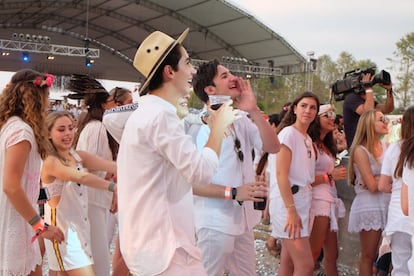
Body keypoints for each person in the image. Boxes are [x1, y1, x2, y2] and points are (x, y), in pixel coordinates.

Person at [117, 28, 238, 275]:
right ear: (169, 72)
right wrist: (218, 127)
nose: (193, 71)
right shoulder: (160, 116)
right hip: (166, 246)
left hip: (155, 242)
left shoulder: (148, 112)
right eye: (188, 62)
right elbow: (200, 171)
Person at [191, 59, 280, 275]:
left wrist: (254, 110)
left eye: (230, 73)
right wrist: (234, 192)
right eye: (224, 76)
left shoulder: (240, 119)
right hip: (213, 223)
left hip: (243, 222)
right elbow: (192, 183)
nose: (233, 78)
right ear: (210, 90)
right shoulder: (198, 127)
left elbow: (273, 146)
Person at [0, 69, 64, 276]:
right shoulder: (21, 132)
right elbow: (11, 185)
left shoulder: (9, 126)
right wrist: (41, 226)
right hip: (15, 222)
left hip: (18, 218)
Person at [41, 111, 117, 274]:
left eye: (71, 128)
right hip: (62, 232)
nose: (68, 133)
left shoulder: (78, 156)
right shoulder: (51, 161)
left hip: (80, 230)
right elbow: (81, 177)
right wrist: (112, 187)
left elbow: (111, 165)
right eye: (61, 130)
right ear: (48, 133)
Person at [68, 74, 118, 276]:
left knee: (96, 252)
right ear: (105, 105)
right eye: (114, 103)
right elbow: (89, 166)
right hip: (91, 199)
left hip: (92, 198)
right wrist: (111, 186)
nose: (116, 107)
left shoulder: (93, 127)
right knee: (98, 255)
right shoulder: (97, 128)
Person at [269, 91, 320, 275]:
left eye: (313, 107)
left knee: (288, 262)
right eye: (304, 105)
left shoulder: (306, 138)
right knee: (305, 265)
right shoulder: (288, 134)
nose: (308, 110)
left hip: (302, 202)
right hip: (289, 203)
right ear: (295, 109)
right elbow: (281, 174)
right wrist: (291, 210)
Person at [347, 109, 390, 276]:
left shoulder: (388, 147)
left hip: (387, 202)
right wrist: (380, 181)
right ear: (369, 125)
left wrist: (378, 180)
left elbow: (394, 177)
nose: (386, 121)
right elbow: (372, 186)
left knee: (387, 252)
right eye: (381, 119)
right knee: (368, 255)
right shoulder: (360, 150)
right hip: (369, 205)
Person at [308, 104, 347, 276]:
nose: (333, 117)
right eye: (327, 115)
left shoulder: (326, 145)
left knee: (332, 254)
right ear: (317, 119)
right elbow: (304, 180)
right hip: (317, 203)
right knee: (313, 253)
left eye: (333, 114)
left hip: (330, 201)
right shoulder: (310, 145)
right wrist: (330, 176)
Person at [383, 106, 414, 275]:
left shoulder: (395, 148)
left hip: (399, 214)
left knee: (400, 268)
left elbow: (382, 184)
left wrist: (396, 190)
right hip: (406, 211)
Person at [343, 72, 394, 148]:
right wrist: (368, 89)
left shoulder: (367, 100)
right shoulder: (351, 98)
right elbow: (368, 112)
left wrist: (389, 90)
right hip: (357, 147)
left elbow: (388, 108)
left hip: (369, 146)